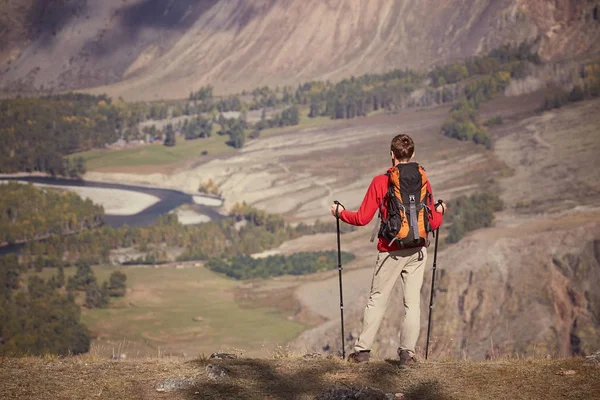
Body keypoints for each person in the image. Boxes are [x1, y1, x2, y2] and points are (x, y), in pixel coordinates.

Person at [330, 133, 446, 365]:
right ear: (412, 154)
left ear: (392, 154)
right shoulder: (423, 180)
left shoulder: (381, 182)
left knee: (377, 299)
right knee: (412, 303)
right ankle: (407, 355)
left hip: (390, 250)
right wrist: (441, 210)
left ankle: (362, 352)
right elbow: (432, 222)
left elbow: (362, 218)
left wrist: (340, 212)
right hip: (418, 250)